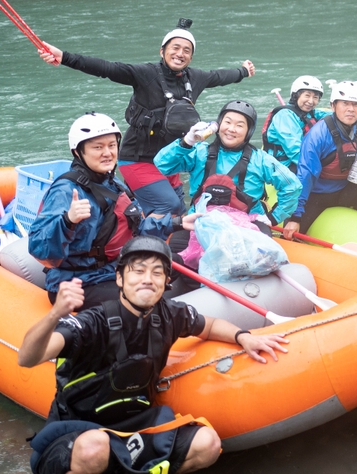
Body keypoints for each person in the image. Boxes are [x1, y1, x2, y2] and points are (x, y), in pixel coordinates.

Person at [18, 236, 288, 474]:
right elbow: (27, 358)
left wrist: (244, 337)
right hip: (78, 432)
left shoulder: (169, 314)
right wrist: (55, 314)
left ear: (166, 282)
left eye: (157, 273)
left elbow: (210, 326)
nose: (148, 278)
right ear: (120, 278)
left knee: (207, 444)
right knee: (94, 447)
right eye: (138, 271)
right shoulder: (93, 322)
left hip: (136, 424)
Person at [38, 20, 255, 216]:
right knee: (169, 206)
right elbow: (106, 68)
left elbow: (221, 76)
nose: (180, 54)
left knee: (180, 211)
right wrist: (64, 57)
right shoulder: (145, 74)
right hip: (138, 159)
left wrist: (244, 71)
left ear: (191, 57)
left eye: (186, 50)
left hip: (170, 161)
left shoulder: (195, 78)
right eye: (175, 48)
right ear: (162, 51)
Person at [29, 112, 196, 310]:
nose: (107, 153)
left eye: (111, 145)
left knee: (174, 262)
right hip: (78, 281)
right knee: (139, 299)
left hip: (111, 268)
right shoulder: (66, 191)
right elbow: (40, 248)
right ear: (78, 152)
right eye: (98, 147)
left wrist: (177, 223)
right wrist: (68, 221)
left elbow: (135, 228)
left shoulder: (112, 182)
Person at [154, 101, 302, 236]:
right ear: (219, 125)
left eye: (239, 125)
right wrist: (186, 142)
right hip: (201, 220)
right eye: (228, 122)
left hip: (247, 222)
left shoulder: (261, 160)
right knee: (175, 249)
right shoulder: (199, 152)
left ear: (249, 131)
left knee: (263, 253)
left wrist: (273, 217)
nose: (231, 129)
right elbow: (162, 165)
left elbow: (292, 186)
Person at [282, 82, 357, 237]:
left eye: (356, 104)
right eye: (345, 103)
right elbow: (305, 175)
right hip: (318, 195)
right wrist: (295, 216)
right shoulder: (318, 134)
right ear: (333, 106)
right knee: (291, 235)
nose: (351, 109)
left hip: (347, 190)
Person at [261, 76, 329, 173]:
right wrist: (319, 168)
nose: (311, 101)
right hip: (282, 167)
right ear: (296, 95)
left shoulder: (309, 113)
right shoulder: (284, 115)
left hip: (300, 161)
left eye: (315, 97)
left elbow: (335, 115)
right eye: (307, 95)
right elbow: (294, 150)